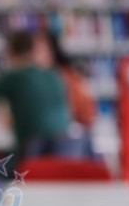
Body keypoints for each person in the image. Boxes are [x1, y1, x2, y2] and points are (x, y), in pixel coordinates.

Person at [0, 29, 74, 164]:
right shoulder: (54, 75)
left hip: (31, 152)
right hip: (65, 151)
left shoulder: (13, 77)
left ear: (10, 52)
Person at [32, 29, 97, 158]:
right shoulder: (36, 77)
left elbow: (85, 114)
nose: (33, 56)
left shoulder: (66, 77)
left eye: (38, 51)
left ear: (52, 52)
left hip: (68, 139)